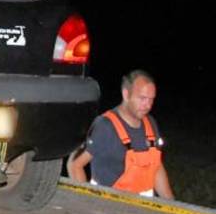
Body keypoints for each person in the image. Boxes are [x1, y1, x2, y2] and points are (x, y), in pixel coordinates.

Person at [68, 69, 174, 199]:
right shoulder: (104, 126)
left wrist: (171, 204)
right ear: (126, 94)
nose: (148, 105)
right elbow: (75, 165)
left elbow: (156, 167)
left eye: (151, 99)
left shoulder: (150, 124)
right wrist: (87, 202)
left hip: (143, 211)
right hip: (110, 209)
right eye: (142, 98)